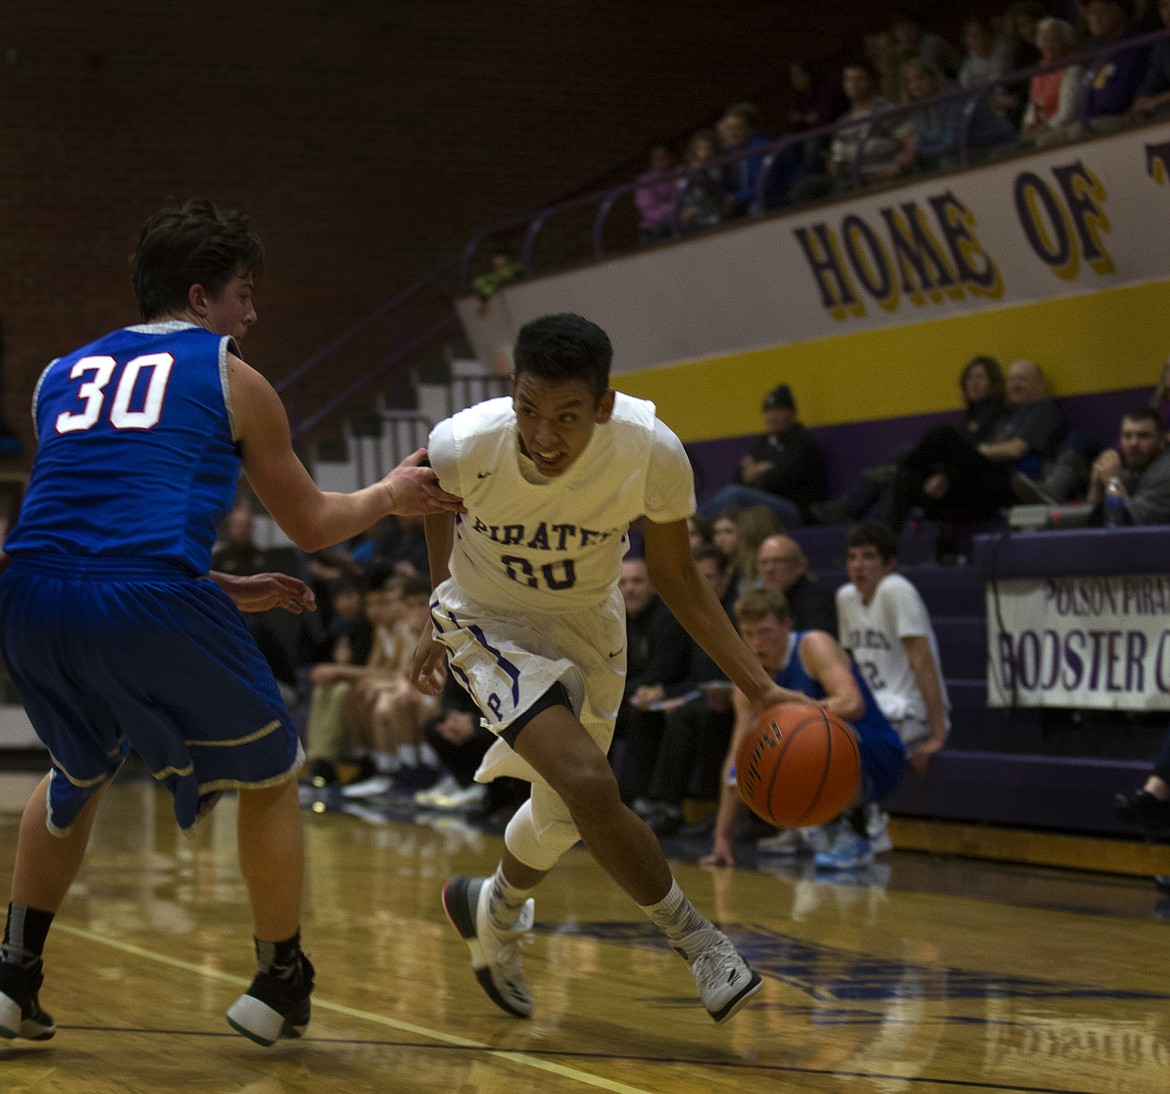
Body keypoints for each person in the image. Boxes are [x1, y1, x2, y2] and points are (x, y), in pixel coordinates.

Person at [0, 198, 464, 1047]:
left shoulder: (59, 372)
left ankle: (10, 975)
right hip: (141, 594)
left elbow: (86, 528)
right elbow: (315, 525)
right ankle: (279, 976)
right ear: (200, 293)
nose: (251, 313)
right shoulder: (229, 373)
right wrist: (394, 496)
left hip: (29, 594)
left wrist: (212, 583)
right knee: (273, 771)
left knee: (75, 769)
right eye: (243, 293)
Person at [410, 312, 801, 1024]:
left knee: (563, 816)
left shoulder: (650, 451)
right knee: (592, 781)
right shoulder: (468, 441)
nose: (544, 435)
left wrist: (764, 688)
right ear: (511, 391)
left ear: (604, 405)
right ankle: (701, 942)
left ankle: (492, 906)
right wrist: (439, 599)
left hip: (589, 624)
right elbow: (433, 491)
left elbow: (678, 578)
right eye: (529, 409)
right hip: (486, 622)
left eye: (567, 416)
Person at [702, 586, 906, 870]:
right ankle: (810, 827)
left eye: (765, 632)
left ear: (786, 625)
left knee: (813, 737)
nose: (757, 642)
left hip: (875, 752)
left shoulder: (813, 646)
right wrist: (722, 838)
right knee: (744, 772)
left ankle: (857, 830)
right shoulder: (747, 683)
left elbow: (851, 703)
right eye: (748, 634)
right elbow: (735, 757)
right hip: (819, 759)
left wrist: (794, 715)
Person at [888, 359, 1065, 533]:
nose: (1015, 385)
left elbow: (1015, 450)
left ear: (1040, 384)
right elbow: (982, 453)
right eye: (1011, 380)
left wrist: (977, 451)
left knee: (943, 435)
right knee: (907, 478)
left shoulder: (1043, 410)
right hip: (980, 489)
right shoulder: (1007, 416)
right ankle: (885, 548)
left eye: (1022, 379)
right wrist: (947, 474)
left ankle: (894, 469)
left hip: (1012, 488)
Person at [836, 523, 949, 777]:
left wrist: (938, 734)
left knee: (839, 747)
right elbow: (848, 663)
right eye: (852, 557)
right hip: (875, 708)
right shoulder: (845, 597)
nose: (858, 565)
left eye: (868, 556)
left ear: (889, 564)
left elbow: (922, 662)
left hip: (910, 712)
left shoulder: (896, 589)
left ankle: (859, 813)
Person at [613, 556, 690, 806]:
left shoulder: (668, 619)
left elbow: (664, 671)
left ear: (653, 586)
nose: (630, 589)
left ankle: (634, 799)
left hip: (670, 693)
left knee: (640, 717)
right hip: (629, 695)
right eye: (623, 583)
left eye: (637, 581)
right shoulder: (616, 620)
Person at [698, 384, 826, 526]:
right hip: (763, 507)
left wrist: (756, 472)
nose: (771, 417)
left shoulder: (802, 440)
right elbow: (738, 477)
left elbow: (781, 480)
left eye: (777, 411)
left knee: (735, 495)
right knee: (733, 498)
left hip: (795, 510)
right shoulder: (764, 443)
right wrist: (763, 469)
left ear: (792, 413)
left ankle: (697, 525)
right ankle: (695, 523)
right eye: (768, 411)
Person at [789, 61, 914, 205]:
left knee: (844, 190)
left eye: (859, 79)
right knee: (802, 189)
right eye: (848, 80)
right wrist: (833, 161)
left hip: (878, 176)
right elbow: (836, 156)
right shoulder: (844, 121)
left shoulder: (885, 110)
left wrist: (898, 167)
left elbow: (911, 142)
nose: (853, 84)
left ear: (870, 81)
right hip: (850, 177)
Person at [890, 57, 1017, 177]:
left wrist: (918, 154)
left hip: (996, 146)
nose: (916, 84)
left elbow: (953, 142)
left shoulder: (954, 98)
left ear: (933, 78)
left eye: (920, 78)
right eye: (910, 81)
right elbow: (923, 142)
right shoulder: (917, 109)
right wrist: (908, 156)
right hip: (968, 154)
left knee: (946, 163)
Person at [1083, 407, 1170, 525]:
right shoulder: (1135, 469)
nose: (1133, 443)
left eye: (1143, 436)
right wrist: (1096, 482)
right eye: (1127, 436)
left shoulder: (1165, 472)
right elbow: (1091, 521)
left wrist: (1112, 480)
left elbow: (1128, 524)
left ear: (1162, 441)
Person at [756, 533, 837, 636]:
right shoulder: (760, 602)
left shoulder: (818, 599)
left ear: (800, 565)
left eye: (777, 561)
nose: (769, 569)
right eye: (763, 563)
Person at [1020, 18, 1087, 140]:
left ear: (1065, 42)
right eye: (1044, 40)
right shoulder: (1041, 68)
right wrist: (1027, 129)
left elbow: (1067, 115)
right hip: (1042, 129)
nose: (1048, 45)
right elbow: (1032, 107)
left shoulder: (1073, 69)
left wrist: (1038, 132)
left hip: (1064, 127)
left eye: (1054, 40)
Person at [1130, 0, 1170, 120]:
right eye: (1164, 6)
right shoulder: (1163, 44)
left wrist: (1158, 100)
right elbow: (1152, 82)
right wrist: (1140, 102)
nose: (1169, 11)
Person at [634, 143, 680, 242]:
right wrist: (675, 214)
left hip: (682, 221)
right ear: (651, 161)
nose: (663, 161)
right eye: (658, 158)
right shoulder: (645, 181)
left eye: (665, 156)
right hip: (655, 228)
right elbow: (648, 210)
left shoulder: (679, 174)